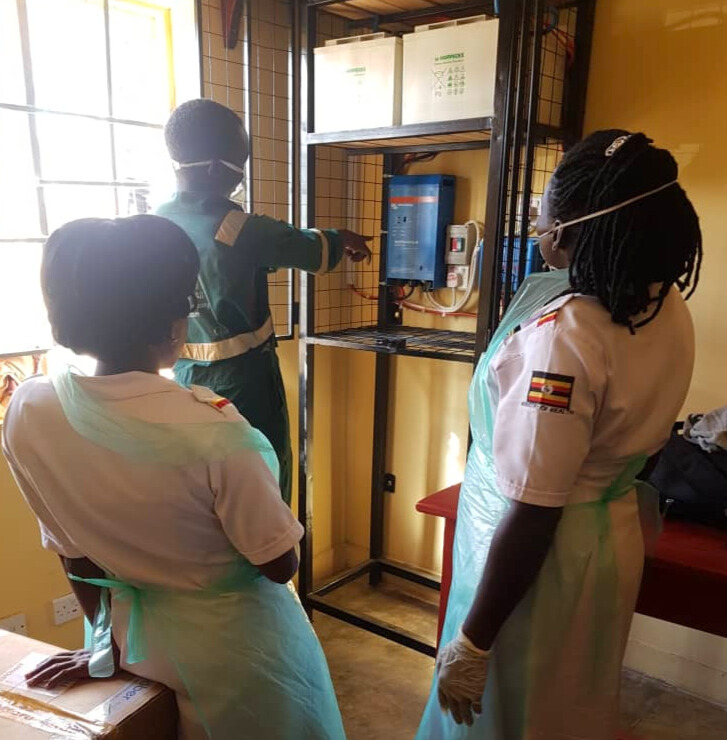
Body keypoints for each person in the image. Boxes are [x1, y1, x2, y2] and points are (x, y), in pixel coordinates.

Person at [1, 216, 346, 740]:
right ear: (172, 322)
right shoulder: (215, 430)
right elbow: (278, 564)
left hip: (133, 644)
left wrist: (104, 647)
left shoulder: (30, 409)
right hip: (234, 658)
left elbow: (74, 554)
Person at [416, 130, 702, 739]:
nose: (538, 220)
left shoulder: (564, 338)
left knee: (512, 713)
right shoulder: (664, 303)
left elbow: (537, 510)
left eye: (547, 208)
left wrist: (473, 640)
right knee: (572, 705)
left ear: (580, 223)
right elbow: (642, 452)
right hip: (608, 537)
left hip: (539, 568)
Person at [156, 98, 371, 507]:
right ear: (220, 168)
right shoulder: (238, 228)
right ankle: (272, 567)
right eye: (241, 162)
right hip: (244, 384)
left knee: (206, 487)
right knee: (265, 478)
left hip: (183, 379)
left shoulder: (156, 222)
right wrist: (343, 239)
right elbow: (310, 251)